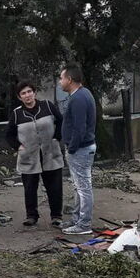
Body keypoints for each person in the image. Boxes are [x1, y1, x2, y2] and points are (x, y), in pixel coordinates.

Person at [5, 81, 64, 227]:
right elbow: (9, 134)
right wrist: (18, 147)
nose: (27, 95)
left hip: (50, 154)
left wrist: (57, 137)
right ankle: (31, 216)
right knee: (30, 188)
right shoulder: (17, 113)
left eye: (29, 91)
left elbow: (61, 121)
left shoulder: (48, 106)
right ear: (20, 97)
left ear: (34, 92)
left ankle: (56, 216)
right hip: (29, 157)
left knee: (55, 187)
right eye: (23, 93)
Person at [59, 65, 97, 235]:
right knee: (79, 187)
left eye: (61, 78)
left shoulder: (79, 98)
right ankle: (77, 220)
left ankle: (84, 224)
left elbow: (79, 128)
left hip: (80, 150)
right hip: (82, 148)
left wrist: (72, 148)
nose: (60, 82)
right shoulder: (83, 94)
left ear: (69, 79)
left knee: (83, 188)